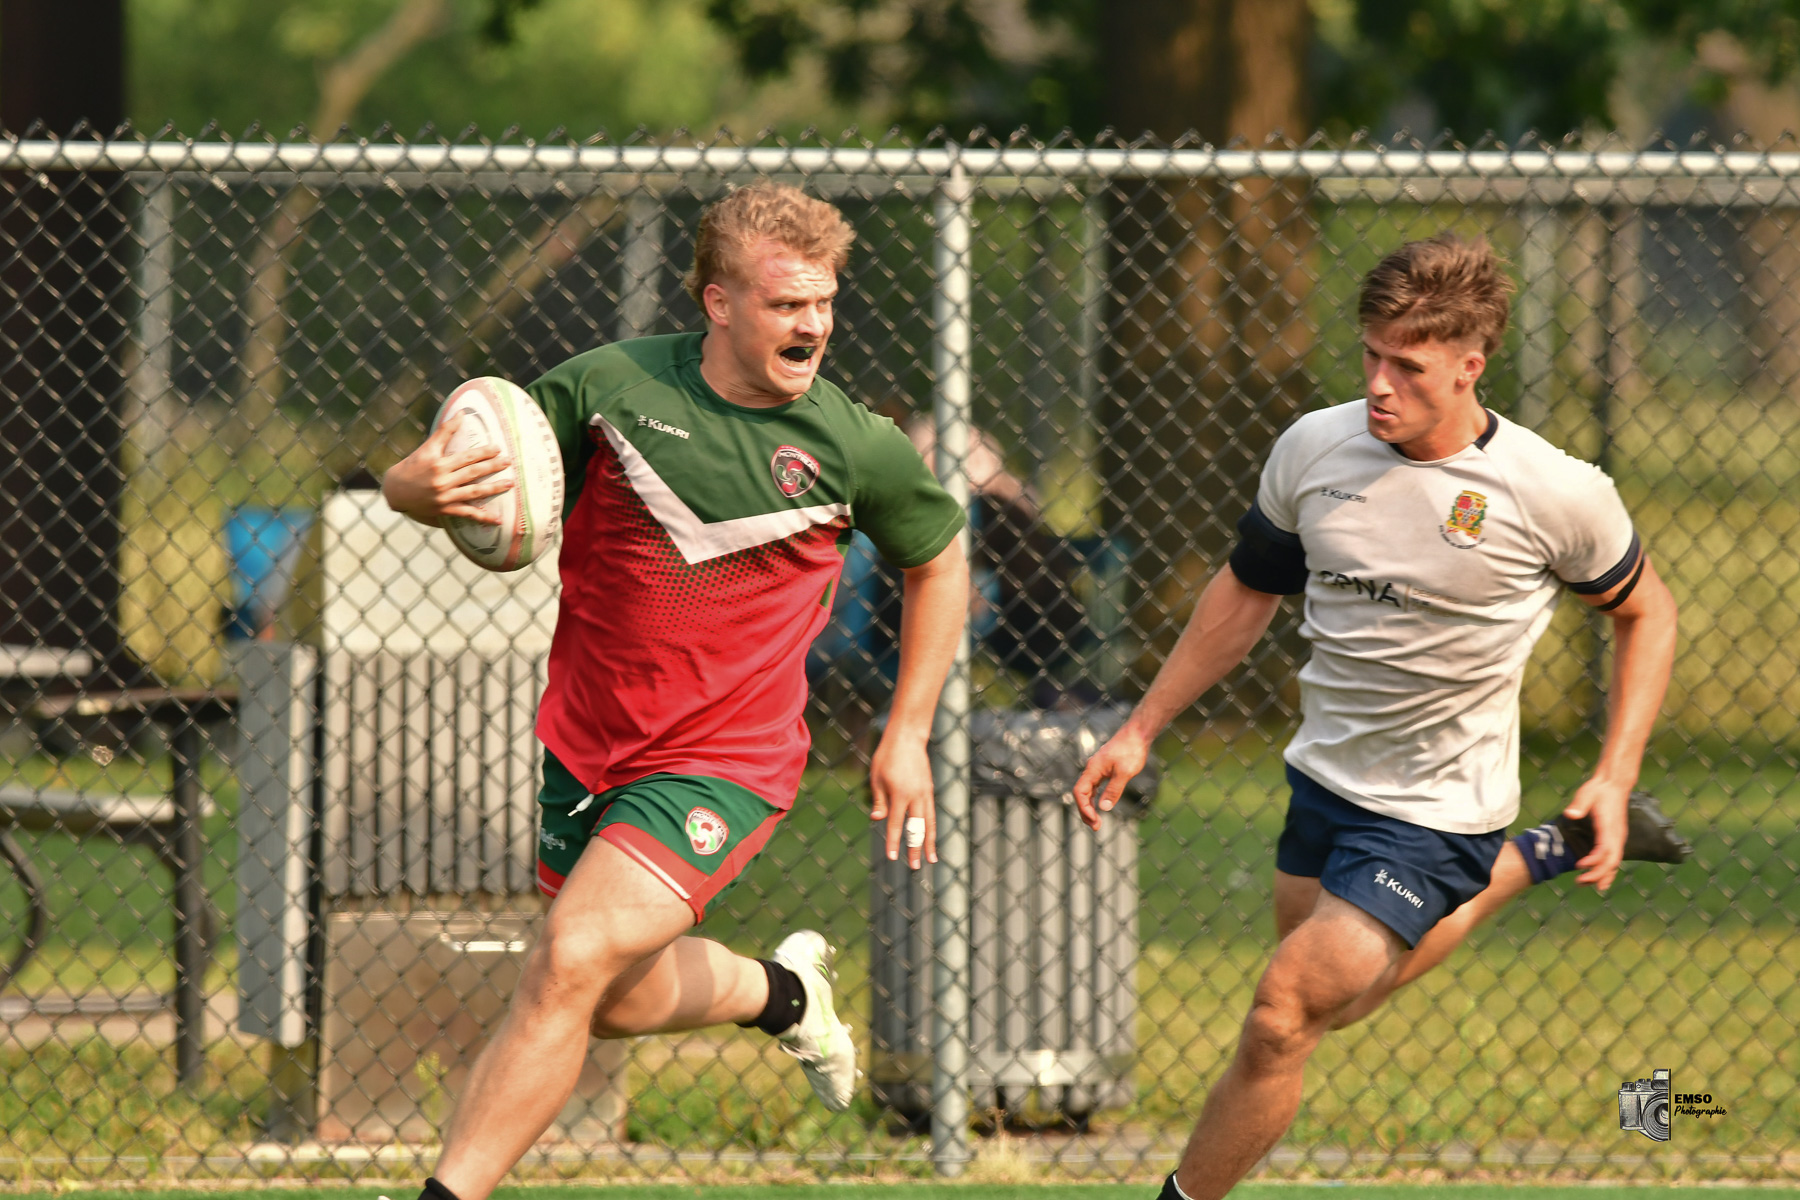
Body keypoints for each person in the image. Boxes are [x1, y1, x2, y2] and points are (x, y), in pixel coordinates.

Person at [381, 181, 970, 1200]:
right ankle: (781, 995)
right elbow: (444, 474)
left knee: (566, 958)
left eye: (824, 301)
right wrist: (416, 490)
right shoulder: (609, 391)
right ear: (719, 303)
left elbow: (941, 559)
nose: (813, 324)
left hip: (725, 761)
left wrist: (906, 730)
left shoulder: (851, 441)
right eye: (788, 303)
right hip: (586, 741)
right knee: (603, 996)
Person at [1072, 233, 1684, 1200]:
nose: (1380, 385)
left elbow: (1647, 613)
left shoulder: (1554, 491)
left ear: (1471, 365)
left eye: (1409, 364)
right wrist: (1141, 724)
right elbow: (1245, 591)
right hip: (1325, 777)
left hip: (1442, 809)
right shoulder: (1315, 447)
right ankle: (1543, 854)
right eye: (1370, 355)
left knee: (1281, 1014)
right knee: (1333, 1007)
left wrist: (1613, 771)